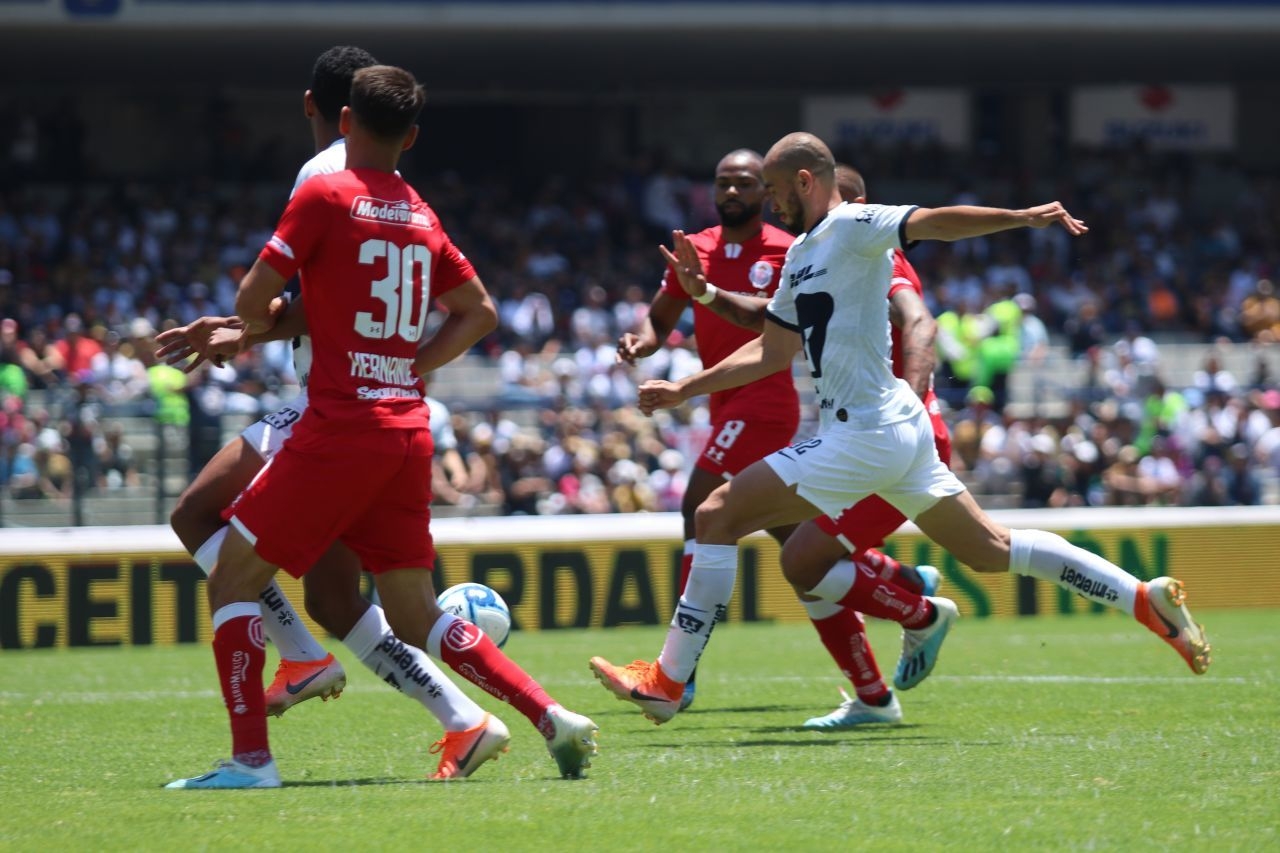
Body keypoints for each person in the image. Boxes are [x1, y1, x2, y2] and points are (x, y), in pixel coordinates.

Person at [589, 131, 1210, 726]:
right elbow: (771, 353)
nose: (772, 205)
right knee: (993, 550)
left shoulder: (854, 225)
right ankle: (1142, 598)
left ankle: (669, 682)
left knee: (715, 514)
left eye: (777, 191)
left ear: (806, 181)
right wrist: (682, 388)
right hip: (895, 430)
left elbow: (935, 222)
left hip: (863, 433)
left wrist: (1021, 216)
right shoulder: (803, 254)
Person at [166, 64, 597, 789]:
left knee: (233, 578)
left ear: (342, 122)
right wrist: (411, 366)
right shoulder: (422, 212)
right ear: (413, 136)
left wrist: (241, 326)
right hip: (406, 427)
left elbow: (254, 293)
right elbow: (481, 311)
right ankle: (551, 713)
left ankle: (250, 760)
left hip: (339, 426)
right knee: (414, 607)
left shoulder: (325, 191)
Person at [615, 162, 954, 729]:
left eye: (750, 184)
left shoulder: (819, 247)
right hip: (758, 408)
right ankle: (892, 617)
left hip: (776, 408)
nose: (735, 192)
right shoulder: (705, 248)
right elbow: (670, 318)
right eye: (724, 182)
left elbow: (785, 331)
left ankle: (679, 672)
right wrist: (645, 342)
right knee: (800, 553)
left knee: (702, 506)